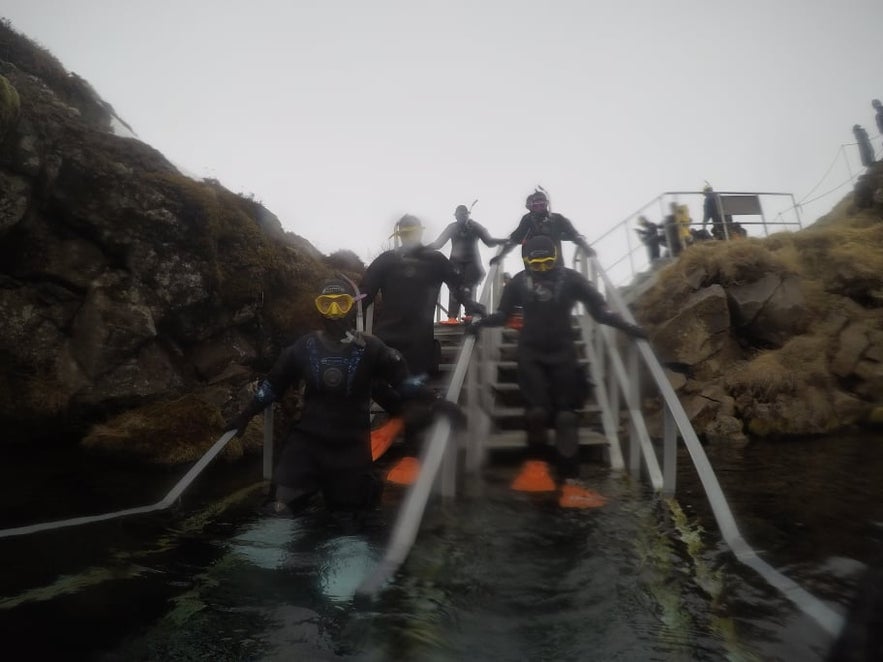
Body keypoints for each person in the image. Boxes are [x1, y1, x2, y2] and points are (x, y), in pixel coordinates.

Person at [223, 276, 448, 520]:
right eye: (325, 304)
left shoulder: (372, 349)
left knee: (350, 523)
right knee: (277, 511)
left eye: (340, 303)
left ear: (352, 305)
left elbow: (405, 384)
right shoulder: (304, 347)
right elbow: (273, 384)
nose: (333, 312)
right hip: (306, 447)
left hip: (350, 449)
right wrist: (244, 416)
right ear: (317, 307)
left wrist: (436, 401)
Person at [467, 235, 647, 508]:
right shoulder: (517, 281)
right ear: (527, 261)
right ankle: (535, 466)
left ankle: (570, 481)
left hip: (563, 355)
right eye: (535, 264)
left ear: (556, 259)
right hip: (531, 354)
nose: (541, 269)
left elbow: (600, 311)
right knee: (536, 412)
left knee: (566, 417)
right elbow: (503, 316)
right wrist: (479, 324)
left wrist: (628, 327)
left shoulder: (572, 279)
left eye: (547, 263)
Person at [361, 214, 485, 378]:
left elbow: (459, 288)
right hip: (396, 344)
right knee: (399, 392)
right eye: (407, 234)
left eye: (411, 234)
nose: (409, 238)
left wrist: (472, 306)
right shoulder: (390, 260)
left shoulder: (433, 260)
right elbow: (363, 297)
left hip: (413, 345)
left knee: (409, 394)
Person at [428, 203, 506, 324]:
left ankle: (470, 314)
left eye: (463, 216)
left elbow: (489, 241)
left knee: (469, 287)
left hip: (472, 262)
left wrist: (504, 241)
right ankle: (452, 317)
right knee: (454, 288)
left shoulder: (475, 226)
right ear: (455, 217)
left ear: (467, 215)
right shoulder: (452, 227)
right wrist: (422, 249)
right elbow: (439, 244)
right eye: (458, 216)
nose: (461, 218)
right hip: (455, 262)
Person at [489, 188, 595, 268]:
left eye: (542, 205)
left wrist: (585, 246)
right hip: (532, 268)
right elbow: (514, 240)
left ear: (547, 205)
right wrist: (501, 256)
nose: (539, 208)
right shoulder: (527, 220)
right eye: (536, 205)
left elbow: (573, 234)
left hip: (556, 267)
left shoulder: (557, 219)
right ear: (531, 206)